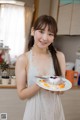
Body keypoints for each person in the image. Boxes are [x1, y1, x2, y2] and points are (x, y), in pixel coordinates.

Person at [15, 15, 66, 120]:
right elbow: (21, 94)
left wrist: (56, 88)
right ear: (33, 31)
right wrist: (40, 84)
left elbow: (61, 90)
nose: (45, 38)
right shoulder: (23, 59)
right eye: (41, 31)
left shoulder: (59, 56)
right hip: (33, 112)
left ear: (54, 37)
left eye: (50, 34)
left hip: (54, 111)